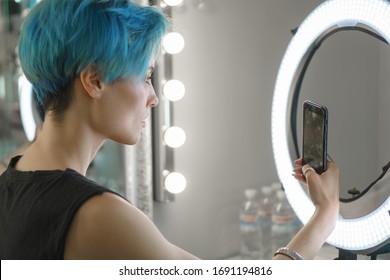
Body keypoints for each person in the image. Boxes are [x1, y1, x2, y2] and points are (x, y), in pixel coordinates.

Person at [0, 0, 340, 260]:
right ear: (95, 80)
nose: (153, 96)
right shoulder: (97, 216)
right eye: (146, 76)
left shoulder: (9, 179)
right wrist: (324, 216)